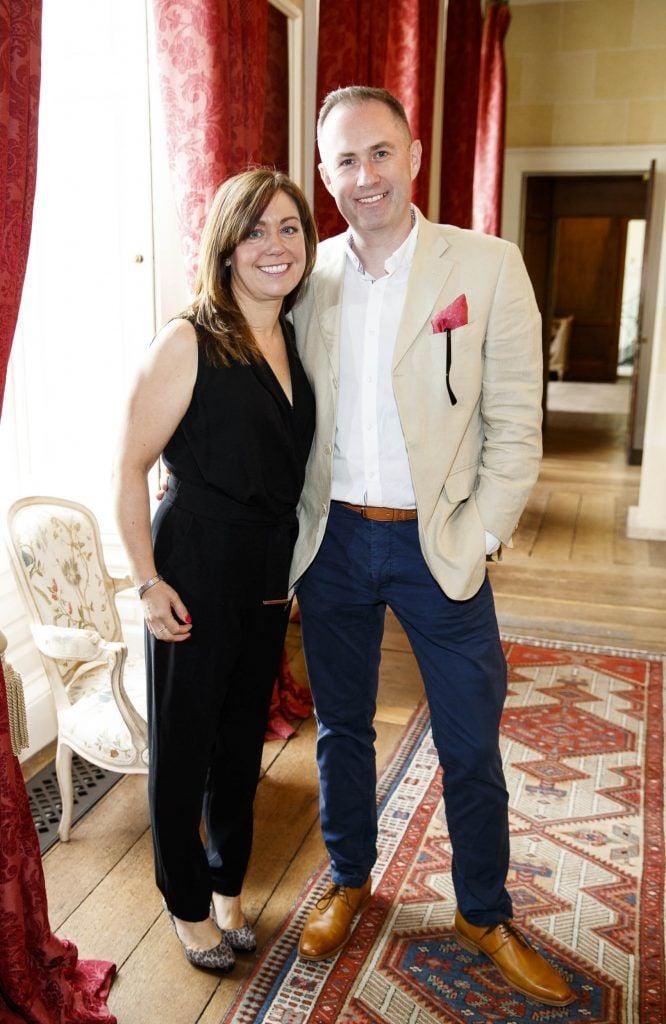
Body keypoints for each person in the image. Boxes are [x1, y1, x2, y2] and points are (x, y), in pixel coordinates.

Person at [289, 87, 575, 1007]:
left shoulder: (486, 266)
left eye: (379, 153)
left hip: (439, 544)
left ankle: (482, 911)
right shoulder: (303, 274)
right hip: (333, 539)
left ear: (413, 155)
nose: (363, 176)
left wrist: (483, 532)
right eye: (344, 161)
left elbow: (515, 425)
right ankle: (349, 875)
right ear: (325, 172)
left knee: (469, 741)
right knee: (340, 728)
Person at [113, 168, 317, 970]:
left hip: (267, 568)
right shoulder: (188, 338)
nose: (276, 245)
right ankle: (186, 901)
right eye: (257, 230)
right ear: (227, 247)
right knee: (186, 744)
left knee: (241, 741)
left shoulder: (295, 340)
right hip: (193, 563)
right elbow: (130, 466)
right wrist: (145, 581)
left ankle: (230, 880)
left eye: (291, 228)